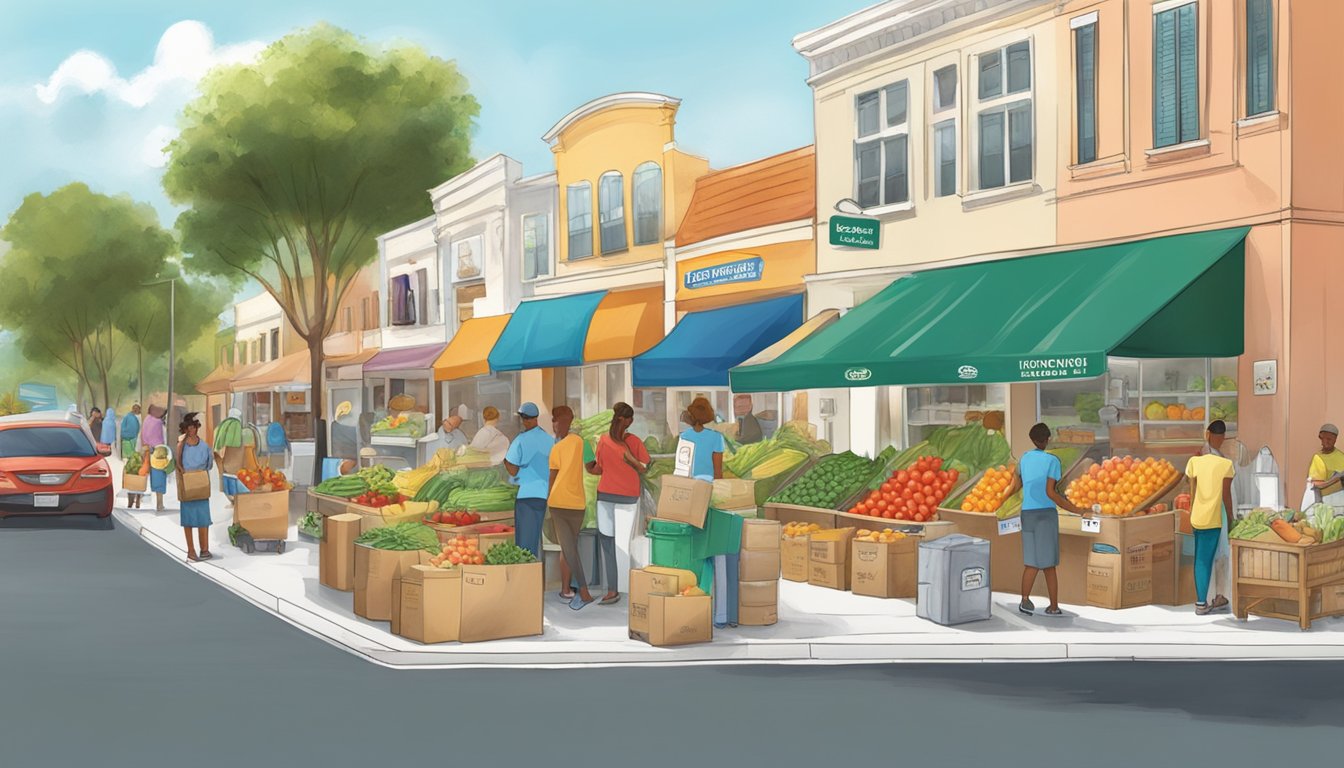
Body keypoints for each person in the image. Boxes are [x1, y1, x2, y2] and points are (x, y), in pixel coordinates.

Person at [999, 423, 1089, 617]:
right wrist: (1077, 510)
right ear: (1048, 439)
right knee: (1048, 564)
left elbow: (1015, 487)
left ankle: (1024, 600)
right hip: (1045, 515)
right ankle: (1054, 606)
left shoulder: (1024, 459)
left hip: (1027, 514)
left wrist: (999, 504)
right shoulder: (1052, 460)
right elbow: (1051, 493)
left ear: (1032, 439)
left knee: (1031, 562)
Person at [680, 397, 739, 628]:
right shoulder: (716, 438)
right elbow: (718, 471)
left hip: (690, 496)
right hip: (712, 495)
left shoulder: (684, 438)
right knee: (720, 554)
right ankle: (721, 615)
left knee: (694, 553)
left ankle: (694, 607)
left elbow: (682, 471)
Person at [586, 402, 650, 604]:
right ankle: (621, 589)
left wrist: (589, 464)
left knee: (610, 543)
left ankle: (615, 589)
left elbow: (598, 469)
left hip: (606, 495)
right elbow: (644, 468)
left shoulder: (605, 441)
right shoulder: (630, 441)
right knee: (619, 544)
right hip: (625, 497)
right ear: (628, 420)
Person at [547, 406, 595, 610]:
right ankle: (566, 589)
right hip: (578, 504)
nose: (555, 425)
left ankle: (583, 590)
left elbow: (553, 477)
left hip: (558, 503)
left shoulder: (557, 448)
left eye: (556, 421)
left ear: (562, 422)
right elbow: (592, 467)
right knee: (568, 547)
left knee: (568, 548)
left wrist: (547, 500)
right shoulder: (582, 443)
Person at [1186, 420, 1236, 615]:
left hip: (1197, 516)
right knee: (1210, 559)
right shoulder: (1226, 464)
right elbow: (1226, 495)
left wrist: (1192, 511)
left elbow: (1192, 489)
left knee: (1200, 558)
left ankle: (1211, 599)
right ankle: (1202, 603)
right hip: (1214, 518)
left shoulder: (1194, 462)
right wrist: (1231, 518)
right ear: (1222, 437)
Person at [503, 403, 554, 560]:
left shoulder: (521, 440)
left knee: (525, 544)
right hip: (546, 495)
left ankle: (528, 577)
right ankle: (538, 574)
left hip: (526, 495)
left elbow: (510, 464)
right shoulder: (549, 439)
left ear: (524, 419)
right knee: (540, 541)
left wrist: (515, 475)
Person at [177, 412, 215, 563]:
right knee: (188, 520)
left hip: (199, 483)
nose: (192, 430)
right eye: (189, 428)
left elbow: (209, 464)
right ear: (185, 429)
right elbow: (178, 463)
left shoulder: (204, 446)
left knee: (203, 519)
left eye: (194, 427)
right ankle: (191, 550)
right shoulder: (181, 445)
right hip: (188, 483)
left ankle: (204, 549)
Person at [1308, 423, 1344, 507]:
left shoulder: (1342, 456)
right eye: (1325, 438)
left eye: (1330, 439)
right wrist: (1335, 479)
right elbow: (1315, 484)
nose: (1327, 441)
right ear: (1321, 438)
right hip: (1325, 502)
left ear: (1335, 440)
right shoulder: (1318, 458)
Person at [147, 443, 173, 512]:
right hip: (162, 470)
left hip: (155, 469)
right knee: (160, 490)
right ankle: (160, 504)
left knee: (157, 489)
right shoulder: (164, 451)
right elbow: (169, 462)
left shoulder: (153, 457)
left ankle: (159, 504)